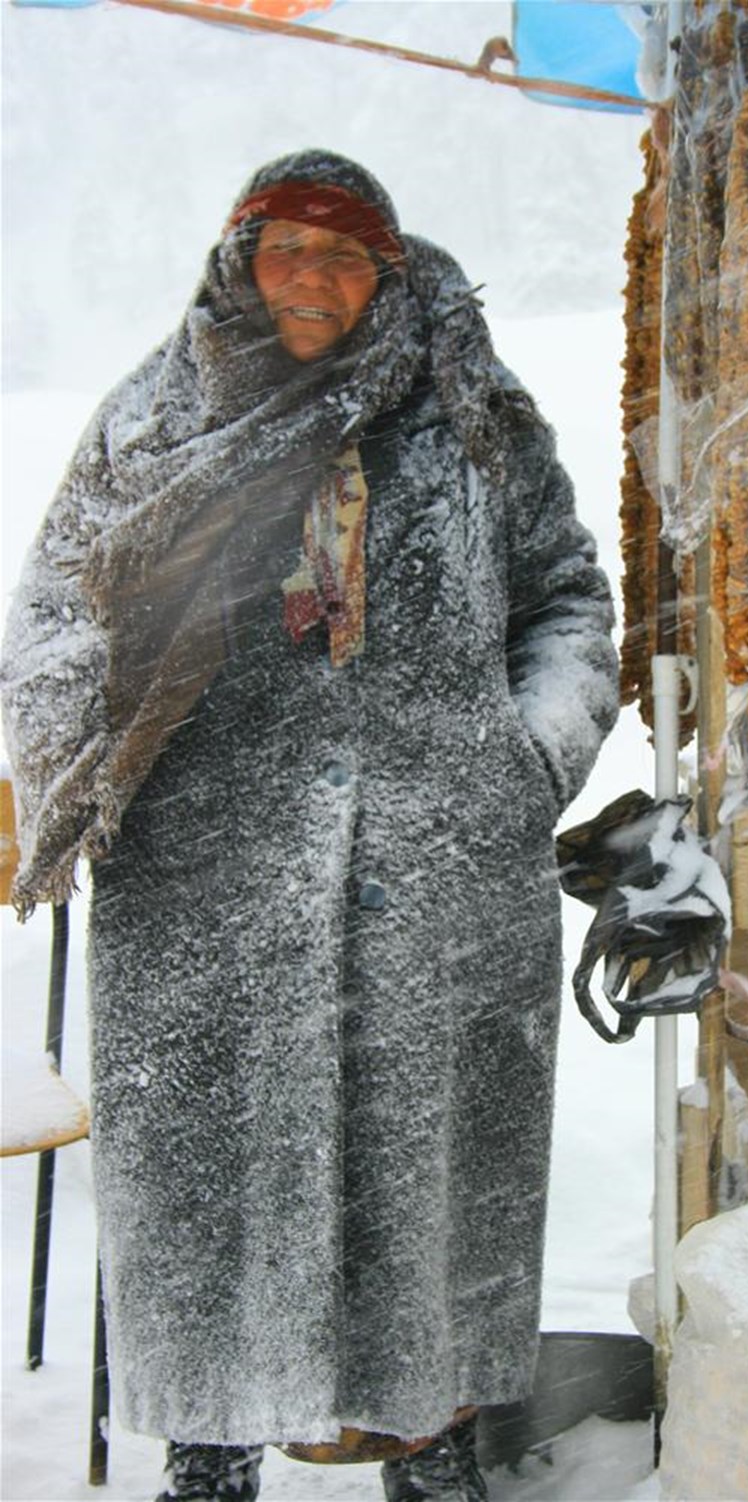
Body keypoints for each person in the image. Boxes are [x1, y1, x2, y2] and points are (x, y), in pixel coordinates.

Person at [1, 150, 618, 1502]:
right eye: (288, 250)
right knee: (211, 1180)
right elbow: (53, 606)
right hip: (203, 872)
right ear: (239, 260)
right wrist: (68, 745)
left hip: (441, 866)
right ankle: (209, 1455)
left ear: (387, 276)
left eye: (347, 260)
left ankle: (436, 1445)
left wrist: (525, 759)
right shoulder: (157, 420)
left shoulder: (471, 420)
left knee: (430, 1172)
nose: (315, 281)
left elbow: (568, 603)